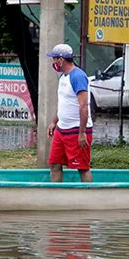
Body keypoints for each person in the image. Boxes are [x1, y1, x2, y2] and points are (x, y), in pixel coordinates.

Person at [46, 43, 93, 182]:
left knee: (82, 167)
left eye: (54, 59)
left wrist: (82, 132)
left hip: (76, 130)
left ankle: (88, 197)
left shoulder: (78, 76)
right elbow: (64, 104)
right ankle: (56, 196)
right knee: (54, 163)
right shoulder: (63, 77)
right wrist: (54, 121)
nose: (53, 62)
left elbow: (83, 106)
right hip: (62, 130)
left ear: (61, 60)